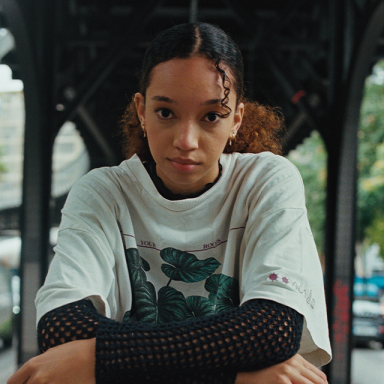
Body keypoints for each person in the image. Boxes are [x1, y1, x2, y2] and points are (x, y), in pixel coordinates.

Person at [8, 22, 331, 384]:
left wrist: (98, 356)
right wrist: (236, 375)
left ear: (236, 119)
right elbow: (63, 329)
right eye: (166, 112)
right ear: (142, 110)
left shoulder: (265, 181)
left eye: (211, 116)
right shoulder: (103, 193)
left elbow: (273, 328)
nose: (186, 140)